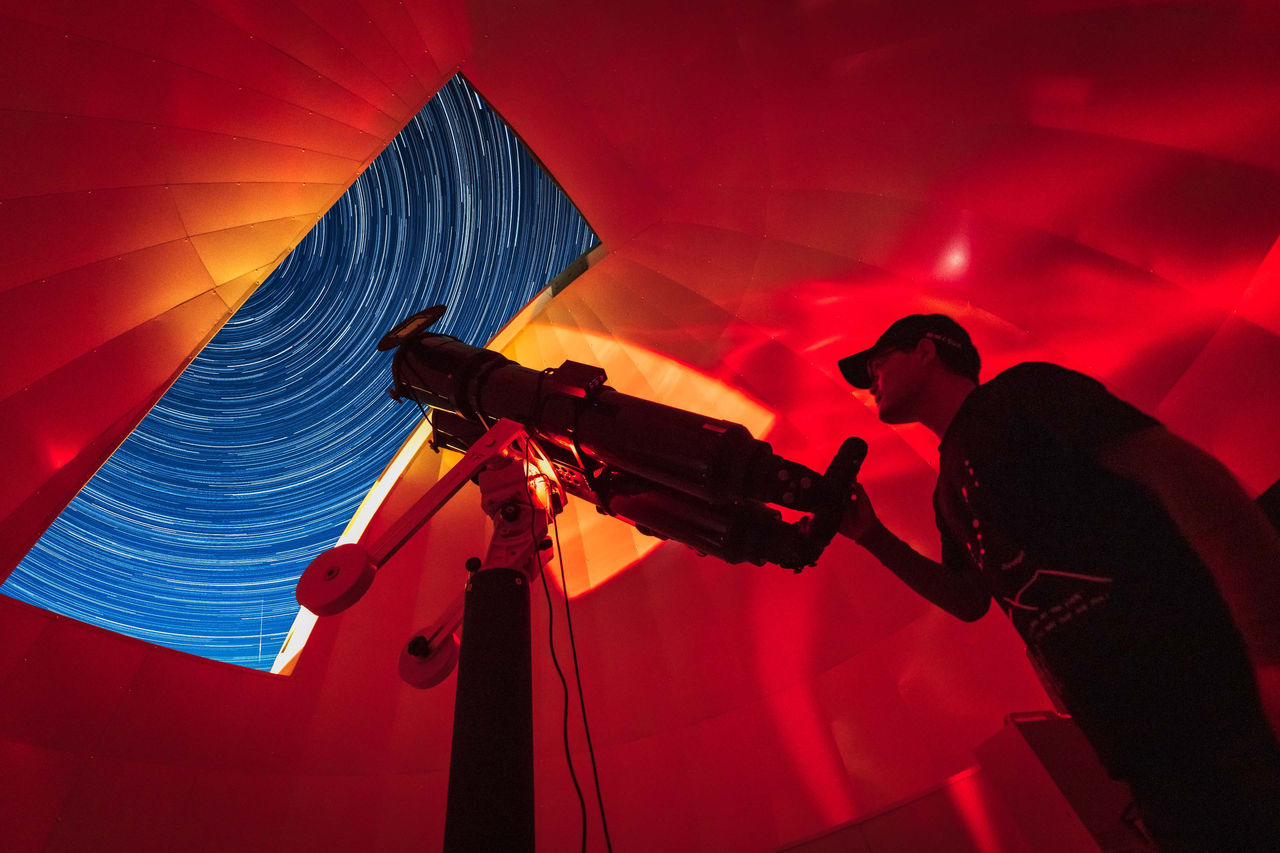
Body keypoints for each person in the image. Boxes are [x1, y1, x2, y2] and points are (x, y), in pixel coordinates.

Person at [837, 314, 1280, 851]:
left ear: (928, 351)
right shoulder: (947, 487)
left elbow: (1184, 477)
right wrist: (872, 537)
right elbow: (969, 598)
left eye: (878, 361)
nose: (870, 378)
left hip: (1215, 693)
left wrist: (1268, 651)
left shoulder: (1023, 393)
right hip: (1137, 742)